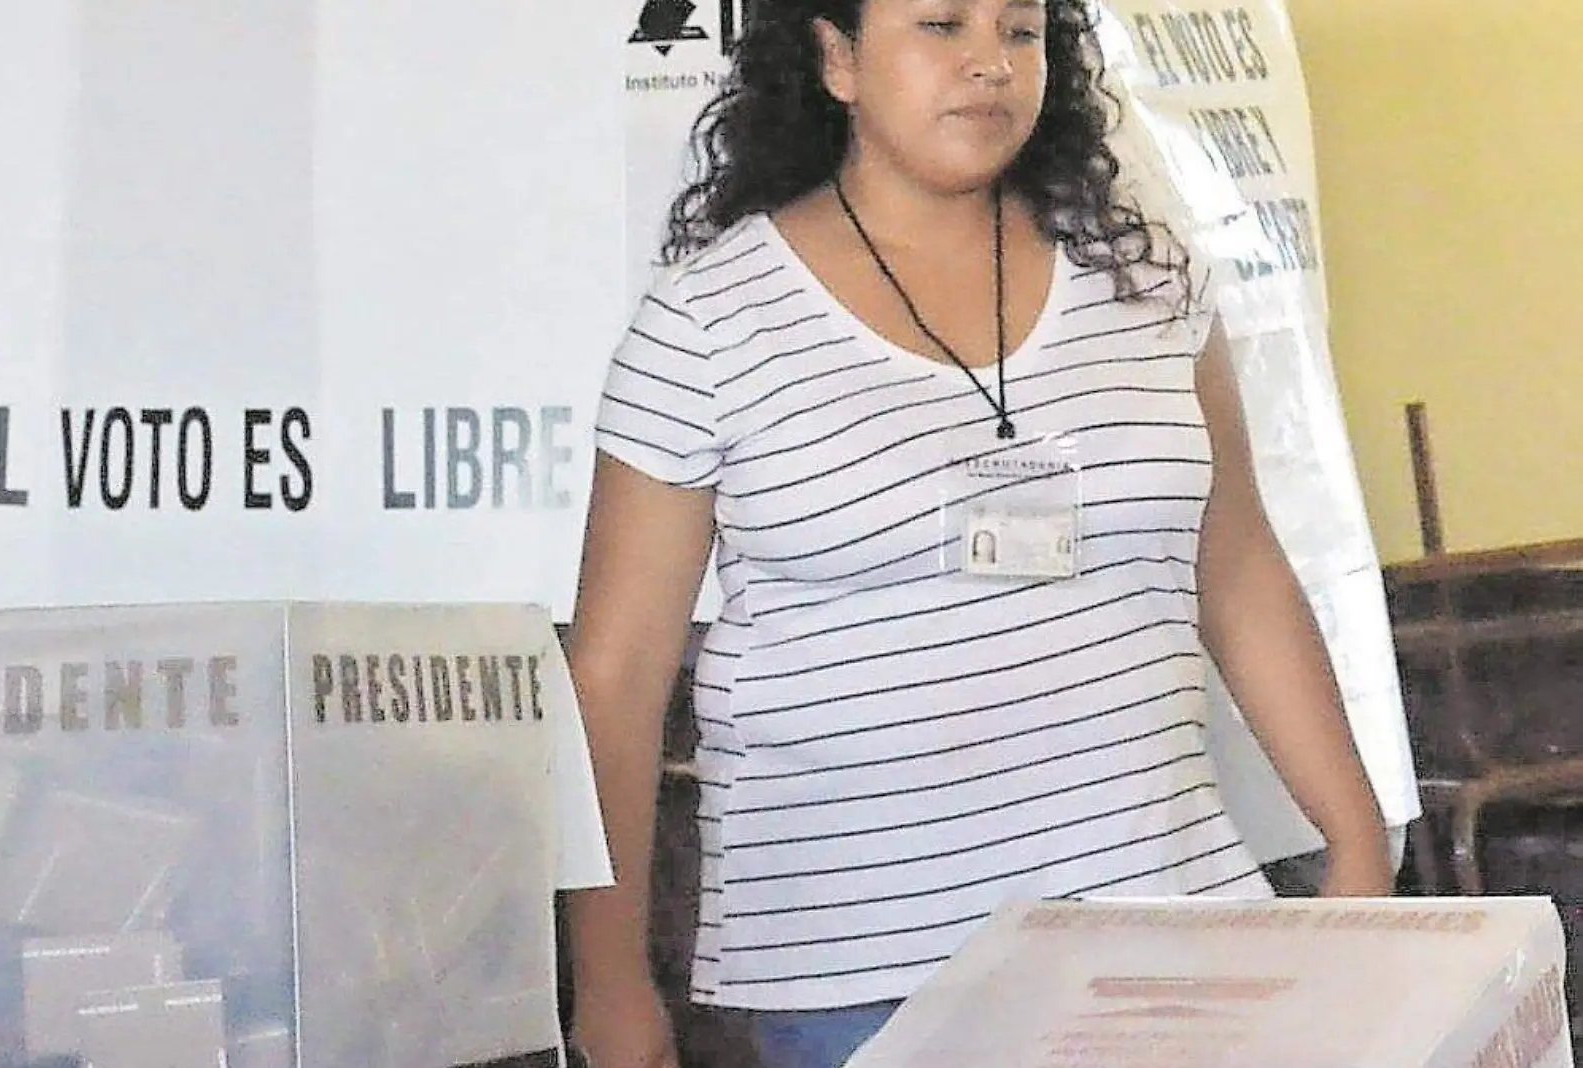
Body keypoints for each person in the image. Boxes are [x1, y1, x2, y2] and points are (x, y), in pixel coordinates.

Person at [563, 2, 1396, 1067]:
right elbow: (617, 675)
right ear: (836, 59)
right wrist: (611, 982)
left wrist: (1356, 841)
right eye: (942, 27)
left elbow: (1236, 573)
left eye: (1019, 31)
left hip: (1170, 927)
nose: (989, 65)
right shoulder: (708, 321)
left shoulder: (1145, 277)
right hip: (867, 974)